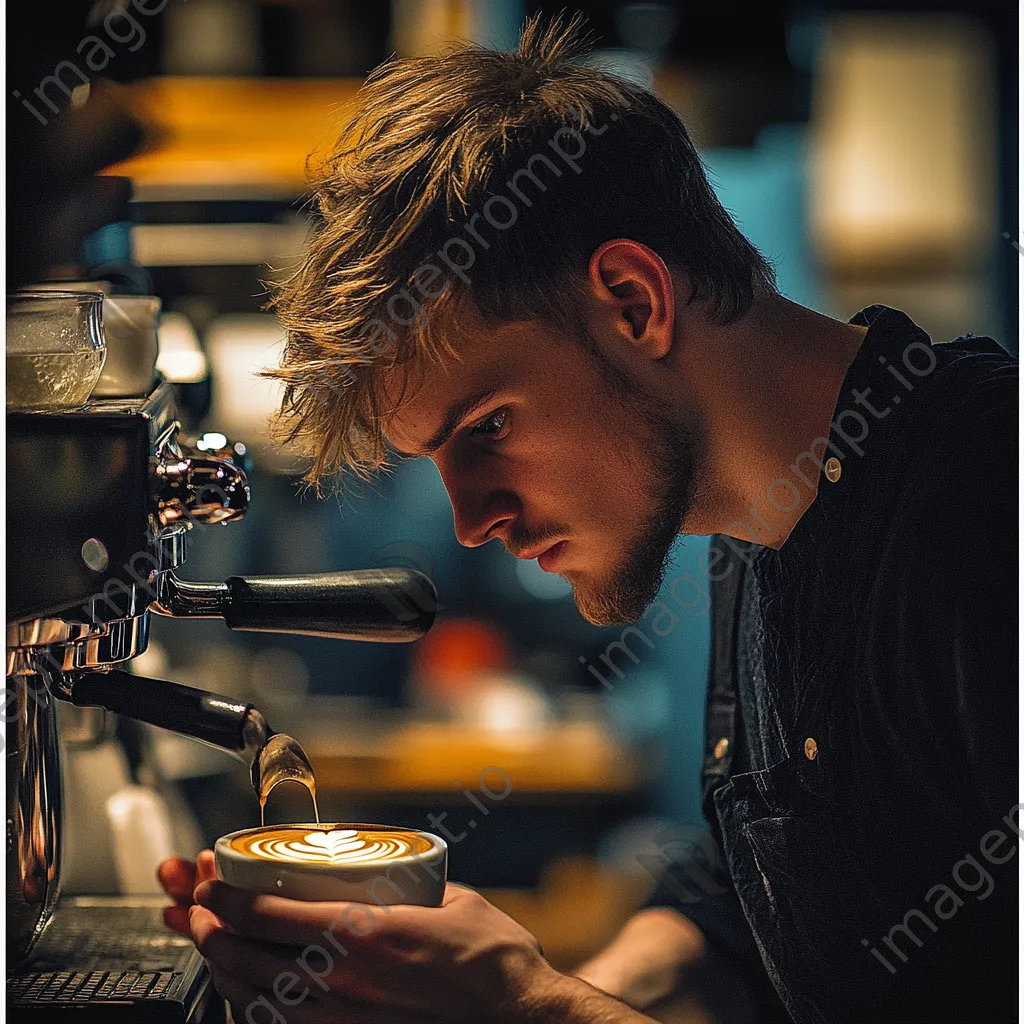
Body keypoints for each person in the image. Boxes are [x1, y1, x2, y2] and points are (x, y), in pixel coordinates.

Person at [159, 14, 1018, 1024]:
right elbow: (748, 910)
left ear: (632, 301)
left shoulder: (984, 506)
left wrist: (531, 1002)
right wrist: (432, 986)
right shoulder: (760, 536)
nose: (471, 520)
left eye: (487, 426)